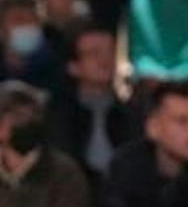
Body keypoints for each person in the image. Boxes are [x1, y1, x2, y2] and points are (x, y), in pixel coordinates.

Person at [49, 19, 139, 179]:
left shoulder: (134, 113)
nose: (105, 60)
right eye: (94, 53)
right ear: (73, 67)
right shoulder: (57, 115)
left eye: (110, 51)